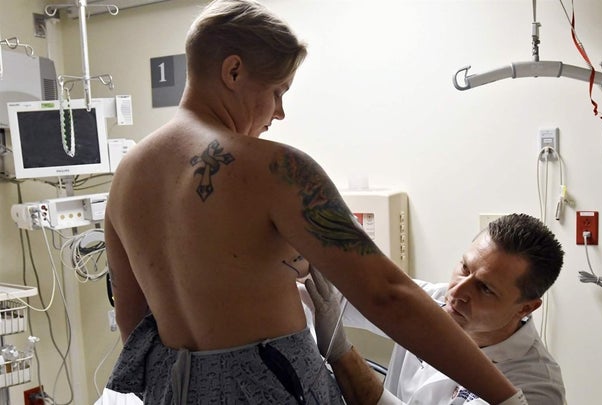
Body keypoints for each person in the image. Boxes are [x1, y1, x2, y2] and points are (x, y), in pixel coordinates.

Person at [103, 1, 527, 404]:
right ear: (233, 71)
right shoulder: (276, 169)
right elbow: (387, 295)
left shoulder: (127, 176)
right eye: (278, 91)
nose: (280, 112)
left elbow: (134, 326)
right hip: (271, 388)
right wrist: (507, 397)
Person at [306, 213, 565, 404]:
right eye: (465, 268)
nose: (457, 292)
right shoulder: (434, 300)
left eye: (485, 288)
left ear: (526, 308)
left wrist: (341, 352)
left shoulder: (534, 388)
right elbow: (335, 296)